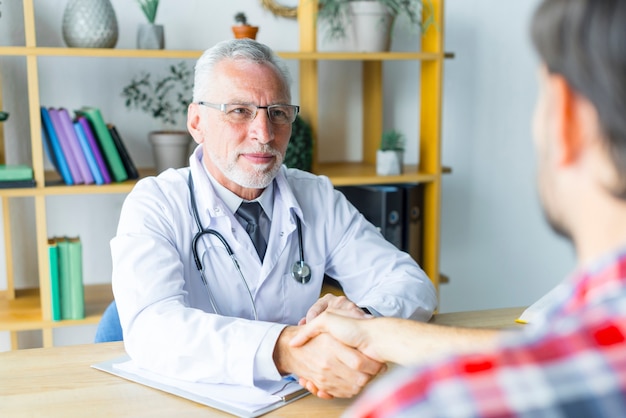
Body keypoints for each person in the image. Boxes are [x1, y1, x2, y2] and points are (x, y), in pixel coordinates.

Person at [290, 0, 626, 414]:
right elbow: (549, 348)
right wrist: (375, 334)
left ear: (567, 118)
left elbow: (412, 284)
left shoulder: (426, 404)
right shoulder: (583, 321)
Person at [110, 38, 437, 397]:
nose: (264, 134)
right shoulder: (155, 203)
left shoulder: (317, 197)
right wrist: (284, 349)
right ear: (197, 122)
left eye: (278, 112)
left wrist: (361, 320)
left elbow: (410, 283)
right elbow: (151, 330)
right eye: (239, 111)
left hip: (302, 401)